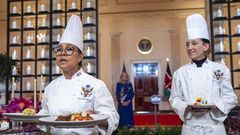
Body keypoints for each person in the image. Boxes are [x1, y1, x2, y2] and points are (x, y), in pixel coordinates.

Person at [38, 15, 119, 135]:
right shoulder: (51, 87)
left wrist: (99, 120)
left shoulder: (96, 85)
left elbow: (112, 116)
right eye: (59, 50)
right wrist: (31, 120)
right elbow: (44, 114)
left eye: (69, 49)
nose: (63, 53)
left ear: (80, 56)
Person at [169, 13, 238, 135]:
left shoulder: (220, 70)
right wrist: (186, 106)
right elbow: (174, 99)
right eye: (187, 44)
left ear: (206, 46)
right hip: (190, 128)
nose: (189, 48)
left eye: (194, 43)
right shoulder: (180, 73)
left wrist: (216, 106)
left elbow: (231, 98)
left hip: (214, 127)